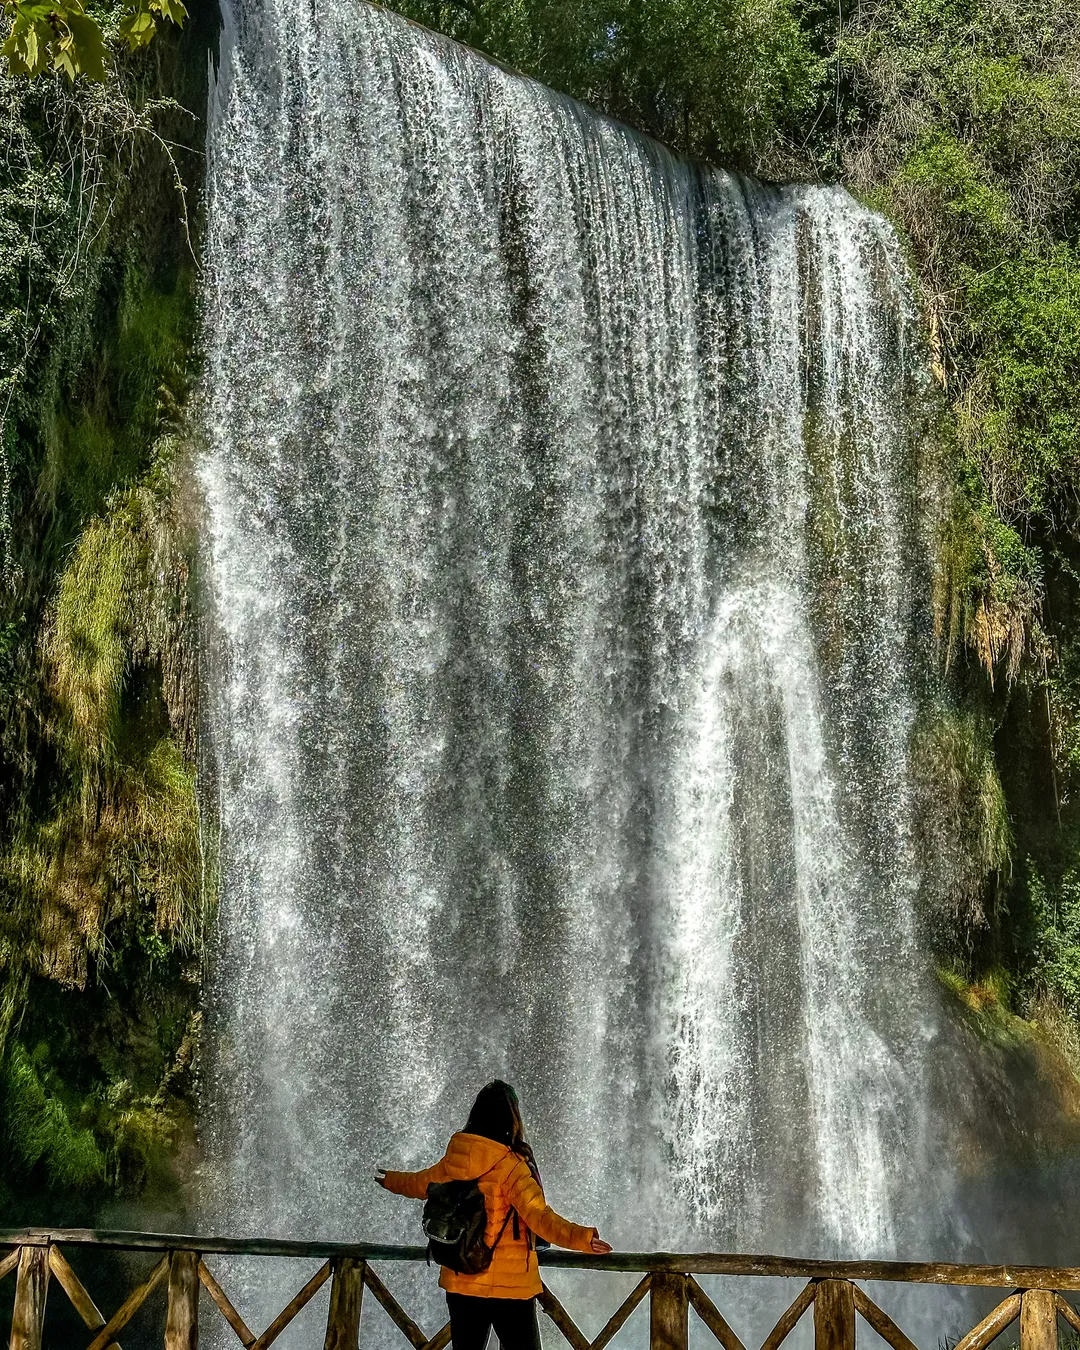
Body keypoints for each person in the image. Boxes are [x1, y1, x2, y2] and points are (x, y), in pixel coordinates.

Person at [376, 1079, 613, 1350]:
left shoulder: (456, 1160)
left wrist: (390, 1179)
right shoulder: (511, 1166)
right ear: (511, 1119)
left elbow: (420, 1183)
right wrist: (582, 1238)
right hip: (509, 1287)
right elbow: (540, 1217)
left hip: (462, 1279)